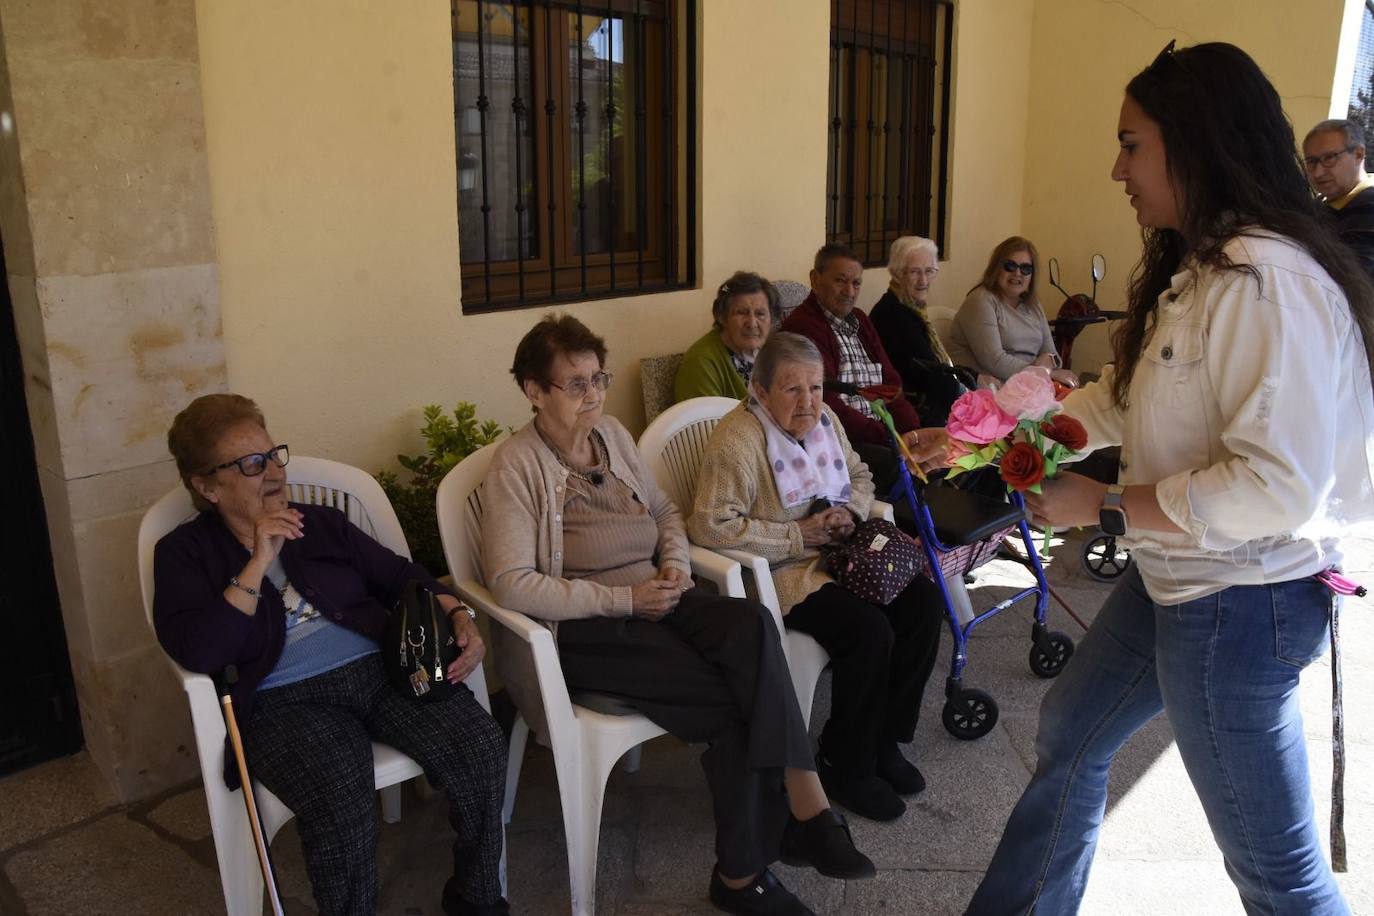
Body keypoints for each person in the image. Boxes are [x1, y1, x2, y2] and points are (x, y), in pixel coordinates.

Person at [966, 41, 1374, 916]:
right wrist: (986, 429)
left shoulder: (1269, 283)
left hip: (1240, 603)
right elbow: (1120, 402)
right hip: (1183, 578)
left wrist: (1107, 504)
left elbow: (1276, 489)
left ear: (1196, 143)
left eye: (1131, 143)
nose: (1116, 168)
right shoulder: (1204, 270)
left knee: (1279, 878)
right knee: (1073, 732)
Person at [481, 314, 876, 916]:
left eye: (598, 379)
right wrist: (624, 601)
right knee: (731, 702)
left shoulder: (611, 435)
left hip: (658, 597)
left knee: (752, 625)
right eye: (575, 384)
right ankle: (749, 871)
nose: (593, 396)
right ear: (534, 392)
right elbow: (511, 583)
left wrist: (674, 566)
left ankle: (804, 806)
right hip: (586, 626)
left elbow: (665, 511)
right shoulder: (517, 466)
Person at [152, 394, 508, 916]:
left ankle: (476, 900)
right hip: (281, 702)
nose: (272, 470)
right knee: (341, 794)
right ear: (206, 486)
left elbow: (401, 575)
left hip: (382, 670)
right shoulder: (183, 554)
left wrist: (458, 615)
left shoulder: (317, 523)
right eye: (251, 464)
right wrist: (256, 563)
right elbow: (200, 649)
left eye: (273, 454)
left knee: (479, 746)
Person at [688, 332, 945, 823]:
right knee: (869, 630)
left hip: (844, 553)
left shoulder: (825, 421)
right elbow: (709, 526)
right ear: (760, 393)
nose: (808, 402)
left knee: (924, 604)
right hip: (784, 572)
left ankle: (885, 741)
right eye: (791, 390)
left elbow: (861, 475)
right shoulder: (738, 440)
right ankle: (844, 762)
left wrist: (850, 509)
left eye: (815, 387)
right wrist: (796, 536)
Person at [780, 243, 942, 494]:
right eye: (840, 281)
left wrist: (911, 431)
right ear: (815, 279)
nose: (849, 291)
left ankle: (936, 525)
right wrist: (892, 438)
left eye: (856, 283)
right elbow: (826, 403)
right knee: (900, 465)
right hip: (843, 441)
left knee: (941, 445)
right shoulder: (802, 327)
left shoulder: (860, 320)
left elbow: (891, 383)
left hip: (882, 430)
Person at [946, 236, 1079, 388]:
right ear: (996, 268)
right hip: (992, 391)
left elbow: (1051, 352)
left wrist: (1049, 361)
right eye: (1010, 266)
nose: (1017, 273)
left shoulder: (1033, 305)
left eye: (1025, 268)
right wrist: (1047, 373)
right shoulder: (981, 300)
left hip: (1030, 386)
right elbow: (994, 361)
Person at [869, 235, 967, 424]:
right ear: (897, 273)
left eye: (929, 271)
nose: (923, 280)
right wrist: (969, 398)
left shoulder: (912, 309)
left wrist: (975, 379)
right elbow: (929, 377)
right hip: (915, 413)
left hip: (931, 403)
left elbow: (936, 367)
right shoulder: (892, 315)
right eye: (915, 272)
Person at [675, 271, 782, 402]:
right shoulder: (701, 362)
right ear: (722, 317)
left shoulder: (771, 353)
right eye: (741, 313)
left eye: (760, 314)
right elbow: (708, 420)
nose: (752, 323)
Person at [1303, 118, 1374, 279]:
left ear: (1358, 154)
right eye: (1312, 162)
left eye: (1329, 158)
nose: (1318, 172)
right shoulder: (1320, 206)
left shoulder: (1369, 208)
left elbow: (1359, 285)